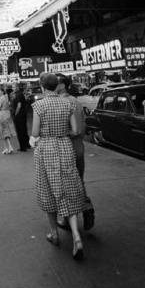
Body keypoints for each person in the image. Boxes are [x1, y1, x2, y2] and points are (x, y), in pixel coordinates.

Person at [30, 72, 86, 260]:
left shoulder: (39, 105)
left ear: (42, 86)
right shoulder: (68, 103)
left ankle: (54, 233)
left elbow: (35, 132)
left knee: (48, 189)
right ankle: (76, 236)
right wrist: (63, 132)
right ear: (57, 86)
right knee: (68, 187)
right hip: (65, 146)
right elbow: (76, 130)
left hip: (47, 149)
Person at [55, 73, 95, 231]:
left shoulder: (62, 102)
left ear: (63, 85)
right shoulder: (76, 102)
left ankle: (67, 218)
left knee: (64, 185)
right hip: (78, 147)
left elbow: (74, 130)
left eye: (55, 83)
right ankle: (87, 208)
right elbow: (82, 127)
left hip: (66, 147)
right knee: (79, 181)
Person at [0, 85, 16, 154]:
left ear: (2, 91)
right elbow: (3, 105)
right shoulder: (6, 97)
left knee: (1, 132)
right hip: (7, 114)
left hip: (1, 115)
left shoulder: (0, 98)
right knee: (6, 131)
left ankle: (6, 148)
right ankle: (9, 147)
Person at [12, 85, 30, 151]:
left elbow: (19, 106)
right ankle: (27, 144)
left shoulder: (18, 95)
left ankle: (23, 147)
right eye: (12, 87)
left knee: (20, 131)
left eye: (14, 87)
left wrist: (15, 114)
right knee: (24, 130)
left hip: (19, 116)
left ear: (17, 87)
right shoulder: (20, 94)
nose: (13, 88)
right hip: (23, 115)